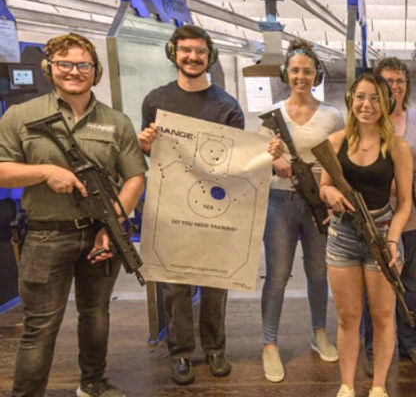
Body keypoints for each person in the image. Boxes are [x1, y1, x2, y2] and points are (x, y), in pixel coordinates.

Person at [0, 33, 147, 397]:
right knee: (41, 325)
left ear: (94, 71)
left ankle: (93, 383)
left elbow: (135, 178)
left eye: (83, 65)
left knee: (96, 315)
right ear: (50, 68)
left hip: (99, 234)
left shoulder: (116, 121)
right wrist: (45, 172)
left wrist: (112, 225)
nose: (74, 72)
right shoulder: (21, 115)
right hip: (46, 235)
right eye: (65, 64)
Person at [138, 24, 244, 386]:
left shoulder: (227, 106)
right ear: (174, 53)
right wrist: (147, 143)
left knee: (215, 282)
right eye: (185, 50)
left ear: (209, 56)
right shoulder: (155, 101)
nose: (193, 57)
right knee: (176, 285)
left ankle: (215, 348)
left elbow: (236, 164)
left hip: (215, 206)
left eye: (199, 51)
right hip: (171, 207)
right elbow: (150, 152)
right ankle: (180, 352)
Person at [319, 72, 413, 397]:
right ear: (350, 100)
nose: (366, 104)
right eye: (360, 96)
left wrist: (391, 239)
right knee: (348, 317)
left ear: (386, 104)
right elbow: (324, 188)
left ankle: (378, 386)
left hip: (381, 232)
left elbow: (404, 204)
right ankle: (346, 385)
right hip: (343, 235)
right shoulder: (336, 142)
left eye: (374, 98)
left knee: (383, 316)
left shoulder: (397, 147)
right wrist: (330, 196)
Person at [259, 39, 343, 382]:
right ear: (286, 73)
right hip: (280, 201)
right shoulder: (273, 115)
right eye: (295, 70)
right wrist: (273, 157)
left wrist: (331, 198)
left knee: (319, 273)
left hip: (318, 203)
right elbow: (261, 157)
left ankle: (319, 332)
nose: (301, 76)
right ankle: (269, 344)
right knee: (277, 276)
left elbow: (339, 164)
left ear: (316, 74)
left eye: (307, 71)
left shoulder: (332, 116)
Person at [363, 57, 416, 375]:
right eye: (389, 81)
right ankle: (373, 347)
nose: (396, 87)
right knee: (376, 284)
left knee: (408, 281)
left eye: (401, 80)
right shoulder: (368, 121)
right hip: (378, 217)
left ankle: (410, 342)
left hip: (414, 217)